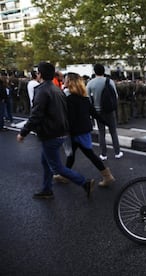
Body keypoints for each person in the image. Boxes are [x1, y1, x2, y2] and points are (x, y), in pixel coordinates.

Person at [16, 62, 94, 199]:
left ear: (39, 74)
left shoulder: (42, 91)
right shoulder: (57, 89)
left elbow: (36, 115)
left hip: (51, 134)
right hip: (60, 132)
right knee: (45, 161)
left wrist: (23, 133)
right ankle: (47, 189)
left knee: (57, 167)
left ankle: (84, 182)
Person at [53, 73, 115, 187]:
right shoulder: (84, 98)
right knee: (72, 155)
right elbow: (94, 113)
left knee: (88, 154)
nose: (64, 81)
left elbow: (70, 118)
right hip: (83, 130)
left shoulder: (69, 99)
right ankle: (65, 175)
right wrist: (107, 123)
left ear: (70, 82)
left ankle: (107, 176)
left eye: (66, 80)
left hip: (76, 132)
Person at [87, 64, 123, 160]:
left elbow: (87, 99)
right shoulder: (109, 81)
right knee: (113, 132)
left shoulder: (90, 83)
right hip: (109, 110)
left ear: (95, 71)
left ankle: (103, 154)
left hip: (97, 111)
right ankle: (117, 152)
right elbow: (115, 96)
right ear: (104, 71)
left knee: (101, 132)